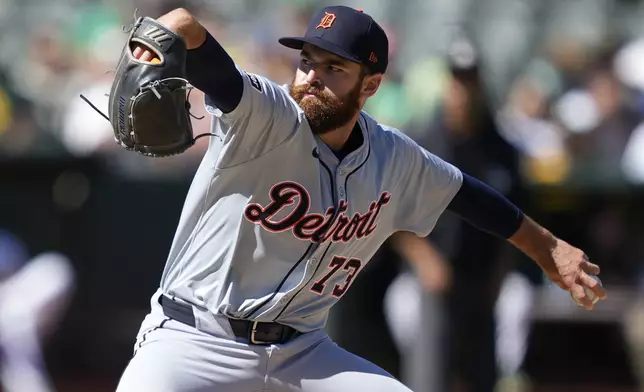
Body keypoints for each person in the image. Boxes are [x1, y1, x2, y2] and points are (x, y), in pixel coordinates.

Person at [115, 6, 607, 392]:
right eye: (306, 60)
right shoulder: (264, 114)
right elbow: (186, 28)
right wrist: (155, 40)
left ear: (370, 85)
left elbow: (469, 196)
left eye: (333, 67)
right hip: (193, 339)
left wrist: (550, 249)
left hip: (301, 354)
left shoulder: (393, 156)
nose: (310, 76)